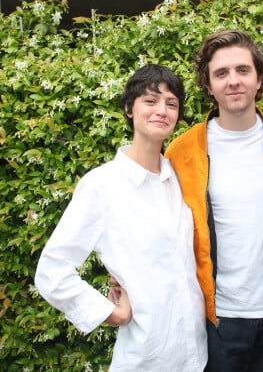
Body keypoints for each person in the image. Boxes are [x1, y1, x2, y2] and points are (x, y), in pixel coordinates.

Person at [34, 64, 208, 371]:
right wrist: (110, 313)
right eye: (150, 101)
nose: (162, 111)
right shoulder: (103, 185)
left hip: (197, 353)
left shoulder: (178, 180)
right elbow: (52, 270)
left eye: (171, 104)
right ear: (129, 108)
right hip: (146, 356)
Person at [164, 29, 263, 372]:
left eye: (243, 70)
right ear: (208, 84)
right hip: (218, 318)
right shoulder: (181, 151)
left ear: (259, 78)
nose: (234, 81)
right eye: (221, 73)